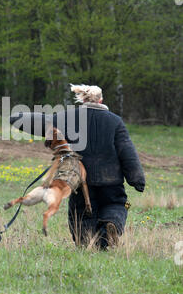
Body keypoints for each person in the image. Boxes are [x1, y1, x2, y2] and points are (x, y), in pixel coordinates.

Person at [10, 84, 145, 249]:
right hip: (111, 181)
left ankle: (87, 244)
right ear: (101, 100)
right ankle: (112, 226)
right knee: (116, 206)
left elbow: (31, 121)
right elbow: (127, 151)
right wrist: (137, 179)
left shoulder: (67, 117)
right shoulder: (115, 121)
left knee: (81, 215)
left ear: (82, 99)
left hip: (79, 180)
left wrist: (15, 118)